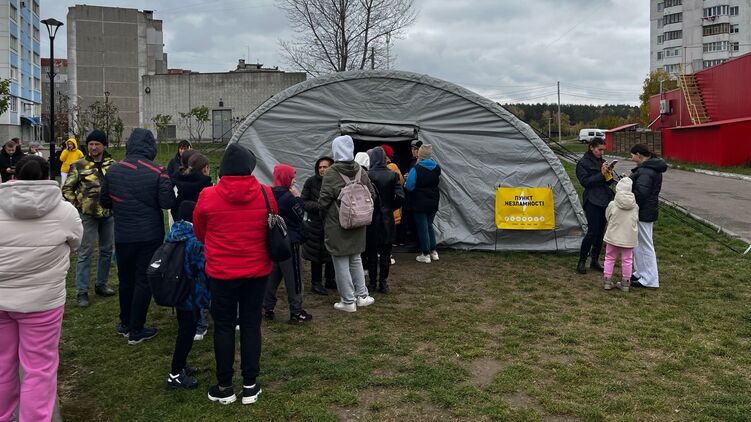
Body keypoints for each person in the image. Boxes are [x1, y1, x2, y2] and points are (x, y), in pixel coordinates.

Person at [0, 155, 83, 422]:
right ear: (48, 177)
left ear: (14, 176)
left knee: (2, 365)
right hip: (43, 302)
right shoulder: (65, 212)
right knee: (40, 368)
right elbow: (76, 242)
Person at [193, 143, 272, 405]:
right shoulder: (266, 193)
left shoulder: (207, 195)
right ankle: (250, 385)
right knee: (251, 325)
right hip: (257, 271)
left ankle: (224, 386)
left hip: (221, 272)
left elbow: (199, 232)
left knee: (224, 327)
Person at [101, 128, 175, 345]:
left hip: (123, 234)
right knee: (144, 280)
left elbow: (104, 201)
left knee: (126, 279)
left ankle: (125, 323)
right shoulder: (158, 171)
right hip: (149, 235)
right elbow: (167, 203)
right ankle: (136, 328)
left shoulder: (113, 171)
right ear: (151, 146)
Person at [319, 135, 376, 312]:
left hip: (338, 223)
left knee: (341, 261)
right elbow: (372, 194)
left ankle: (348, 300)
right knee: (356, 258)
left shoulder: (331, 173)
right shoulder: (360, 170)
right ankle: (362, 296)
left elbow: (323, 201)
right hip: (359, 221)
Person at [62, 130, 117, 308]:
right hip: (87, 215)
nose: (93, 147)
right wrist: (79, 204)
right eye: (90, 144)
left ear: (104, 145)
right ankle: (82, 291)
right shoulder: (79, 165)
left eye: (97, 144)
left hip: (108, 215)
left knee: (106, 250)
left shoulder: (113, 165)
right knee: (85, 252)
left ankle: (101, 284)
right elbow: (67, 189)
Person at [165, 201, 211, 390]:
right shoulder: (194, 240)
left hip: (176, 289)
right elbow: (203, 267)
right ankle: (175, 374)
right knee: (187, 332)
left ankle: (182, 365)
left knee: (184, 329)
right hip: (190, 293)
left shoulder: (173, 234)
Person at [263, 164, 313, 324]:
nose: (294, 180)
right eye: (292, 177)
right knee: (294, 277)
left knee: (273, 275)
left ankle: (267, 307)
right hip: (290, 241)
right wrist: (298, 198)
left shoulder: (267, 194)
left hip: (273, 240)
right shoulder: (288, 197)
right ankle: (296, 311)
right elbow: (300, 214)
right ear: (285, 178)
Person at [366, 147, 404, 293]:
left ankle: (372, 282)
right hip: (388, 218)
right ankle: (383, 283)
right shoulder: (393, 175)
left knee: (371, 252)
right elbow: (400, 197)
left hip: (371, 218)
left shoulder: (368, 175)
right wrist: (390, 207)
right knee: (386, 252)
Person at [629, 143, 668, 289]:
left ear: (639, 155)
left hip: (643, 212)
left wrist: (627, 191)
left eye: (632, 155)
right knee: (638, 244)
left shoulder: (646, 171)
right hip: (644, 211)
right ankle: (641, 272)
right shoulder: (648, 168)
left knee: (645, 245)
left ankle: (650, 279)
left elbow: (640, 194)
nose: (631, 158)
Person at [575, 137, 614, 275]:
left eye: (603, 150)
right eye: (599, 149)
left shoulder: (602, 161)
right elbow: (585, 182)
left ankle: (594, 260)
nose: (601, 152)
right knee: (592, 232)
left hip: (605, 199)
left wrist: (609, 174)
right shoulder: (583, 163)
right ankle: (582, 261)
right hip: (592, 199)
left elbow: (608, 182)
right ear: (591, 147)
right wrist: (601, 174)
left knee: (600, 232)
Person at [301, 156, 336, 295]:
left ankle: (330, 279)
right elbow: (304, 201)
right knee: (316, 254)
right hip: (315, 224)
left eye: (325, 167)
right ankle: (316, 283)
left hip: (331, 223)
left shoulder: (336, 181)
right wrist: (319, 206)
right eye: (320, 167)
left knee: (331, 252)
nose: (322, 169)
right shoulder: (311, 182)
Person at [405, 144, 441, 263]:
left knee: (423, 228)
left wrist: (407, 180)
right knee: (429, 225)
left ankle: (425, 254)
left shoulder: (416, 168)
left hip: (419, 201)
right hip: (434, 200)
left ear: (420, 154)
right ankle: (433, 252)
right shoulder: (437, 167)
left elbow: (409, 186)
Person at [602, 177, 639, 292]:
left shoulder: (612, 204)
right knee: (627, 260)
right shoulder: (635, 206)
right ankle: (626, 282)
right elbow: (636, 219)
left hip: (613, 235)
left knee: (609, 257)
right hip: (628, 237)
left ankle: (607, 281)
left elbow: (607, 216)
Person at [170, 152, 212, 222]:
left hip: (181, 224)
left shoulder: (181, 183)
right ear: (205, 168)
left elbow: (174, 209)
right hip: (200, 225)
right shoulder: (207, 187)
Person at [381, 144, 405, 265]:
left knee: (386, 232)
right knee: (390, 231)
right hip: (393, 207)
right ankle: (388, 254)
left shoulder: (389, 168)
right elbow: (402, 181)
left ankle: (387, 255)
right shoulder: (395, 167)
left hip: (387, 207)